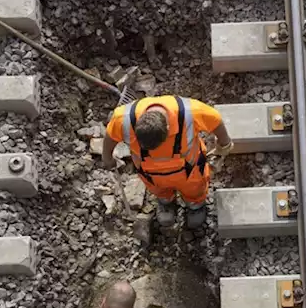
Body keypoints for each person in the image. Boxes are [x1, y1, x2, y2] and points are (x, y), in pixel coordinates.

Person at [100, 94, 234, 230]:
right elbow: (110, 136)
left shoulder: (190, 112)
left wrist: (224, 143)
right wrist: (107, 157)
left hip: (189, 172)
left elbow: (216, 120)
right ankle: (166, 201)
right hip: (151, 175)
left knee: (195, 190)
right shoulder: (123, 119)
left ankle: (195, 205)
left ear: (168, 128)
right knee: (159, 190)